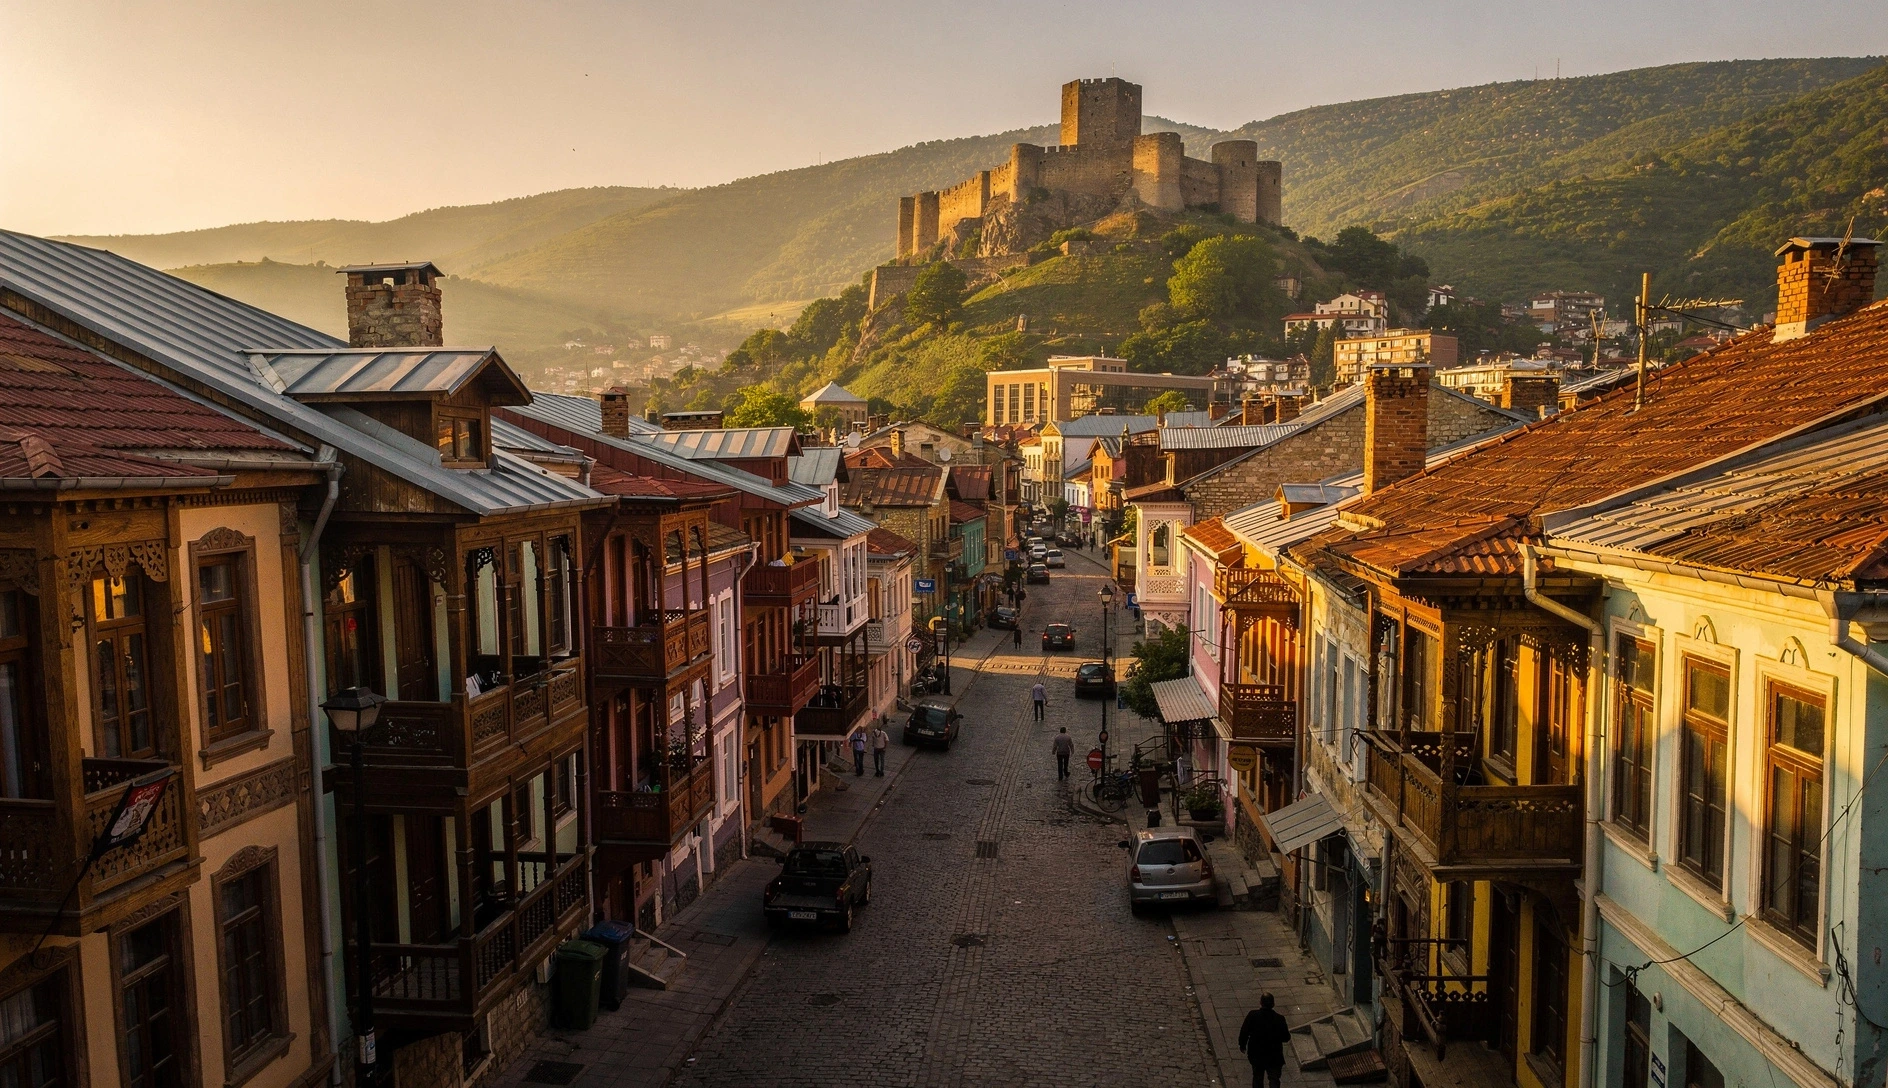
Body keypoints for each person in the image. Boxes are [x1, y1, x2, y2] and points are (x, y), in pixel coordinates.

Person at [1238, 993, 1291, 1088]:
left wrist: (1242, 1045)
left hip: (1257, 1054)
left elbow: (1244, 1031)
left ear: (1261, 1003)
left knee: (1257, 1077)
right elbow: (1286, 1037)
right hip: (1274, 1055)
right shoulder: (1279, 1019)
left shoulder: (1253, 1015)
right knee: (1274, 1079)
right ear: (1273, 1004)